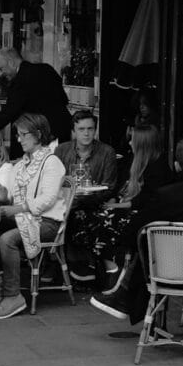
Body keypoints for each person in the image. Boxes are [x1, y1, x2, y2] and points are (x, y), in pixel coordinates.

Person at [88, 138, 183, 325]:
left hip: (166, 273)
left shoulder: (164, 195)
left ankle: (124, 296)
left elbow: (135, 231)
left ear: (176, 166)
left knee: (145, 242)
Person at [0, 113, 67, 320]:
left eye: (23, 135)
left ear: (38, 134)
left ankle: (13, 295)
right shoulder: (20, 165)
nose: (19, 139)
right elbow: (10, 198)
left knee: (6, 239)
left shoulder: (52, 162)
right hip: (22, 218)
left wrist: (17, 209)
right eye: (18, 135)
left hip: (47, 223)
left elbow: (47, 199)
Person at [71, 123, 172, 288]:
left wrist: (118, 206)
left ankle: (109, 265)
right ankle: (95, 264)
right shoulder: (131, 160)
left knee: (102, 219)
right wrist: (113, 200)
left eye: (133, 140)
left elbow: (148, 199)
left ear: (142, 144)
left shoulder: (157, 167)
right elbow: (119, 187)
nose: (130, 143)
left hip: (141, 213)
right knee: (79, 213)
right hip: (123, 205)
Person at [55, 110, 119, 282]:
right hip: (66, 204)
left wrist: (84, 196)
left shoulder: (107, 152)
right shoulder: (62, 151)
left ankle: (85, 266)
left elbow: (110, 187)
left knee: (90, 217)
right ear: (73, 131)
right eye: (81, 129)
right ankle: (69, 264)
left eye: (90, 128)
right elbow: (53, 181)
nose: (86, 133)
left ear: (95, 130)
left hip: (94, 203)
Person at [0, 47, 72, 147]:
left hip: (39, 140)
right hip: (62, 136)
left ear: (11, 62)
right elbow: (64, 99)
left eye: (1, 69)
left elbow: (9, 112)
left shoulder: (20, 80)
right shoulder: (47, 68)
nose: (0, 74)